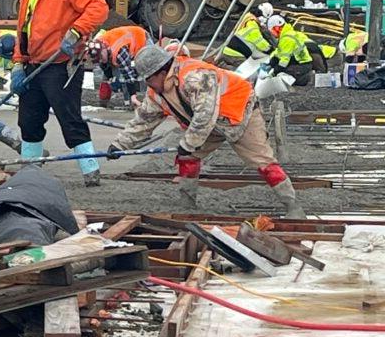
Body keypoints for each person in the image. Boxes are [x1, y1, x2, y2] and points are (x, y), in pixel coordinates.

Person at [107, 45, 305, 218]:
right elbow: (143, 121)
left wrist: (188, 143)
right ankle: (187, 204)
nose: (147, 85)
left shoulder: (195, 77)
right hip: (209, 126)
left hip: (240, 117)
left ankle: (293, 207)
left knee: (264, 163)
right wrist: (119, 145)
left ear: (160, 72)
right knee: (187, 157)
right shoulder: (156, 93)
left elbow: (205, 114)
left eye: (148, 80)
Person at [9, 0, 109, 184]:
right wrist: (18, 64)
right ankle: (29, 172)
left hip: (61, 65)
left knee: (69, 118)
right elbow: (24, 29)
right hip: (34, 64)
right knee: (29, 120)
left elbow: (98, 8)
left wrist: (76, 31)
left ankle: (90, 170)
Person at [86, 25, 151, 107]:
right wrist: (110, 78)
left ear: (104, 48)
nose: (100, 61)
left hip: (141, 38)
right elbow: (105, 67)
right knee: (107, 75)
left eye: (101, 57)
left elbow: (128, 74)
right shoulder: (97, 45)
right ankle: (103, 102)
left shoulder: (119, 51)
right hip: (120, 39)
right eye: (98, 59)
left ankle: (147, 101)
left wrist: (133, 95)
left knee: (150, 71)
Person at [266, 15, 333, 86]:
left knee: (285, 74)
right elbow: (280, 52)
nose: (272, 34)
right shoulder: (289, 34)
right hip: (305, 62)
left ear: (276, 28)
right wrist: (272, 61)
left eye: (272, 31)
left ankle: (309, 77)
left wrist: (274, 72)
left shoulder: (286, 38)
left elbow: (284, 62)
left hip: (303, 64)